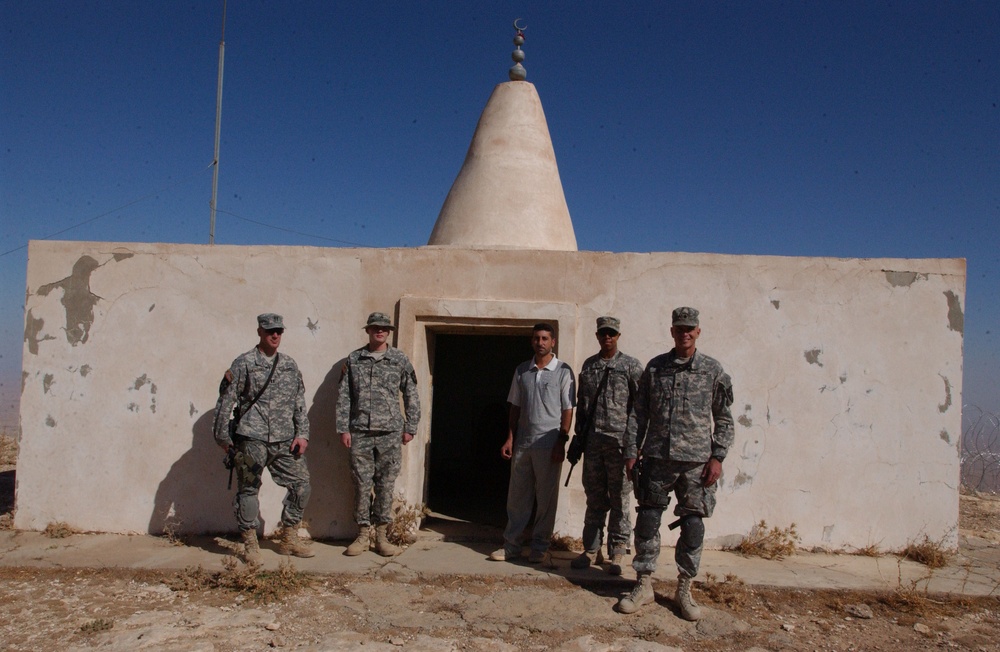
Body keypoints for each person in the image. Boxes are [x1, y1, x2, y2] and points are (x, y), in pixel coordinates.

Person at [617, 307, 734, 621]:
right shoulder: (655, 368)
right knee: (647, 521)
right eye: (679, 328)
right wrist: (631, 452)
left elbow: (723, 419)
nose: (684, 333)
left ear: (698, 332)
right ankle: (643, 584)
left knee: (693, 526)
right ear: (672, 331)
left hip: (697, 464)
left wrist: (718, 457)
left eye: (690, 328)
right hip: (656, 459)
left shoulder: (713, 370)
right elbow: (639, 415)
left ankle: (685, 588)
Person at [214, 313, 314, 564]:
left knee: (301, 485)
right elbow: (227, 400)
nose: (275, 335)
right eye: (270, 331)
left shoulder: (290, 365)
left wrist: (302, 434)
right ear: (259, 332)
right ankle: (250, 544)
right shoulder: (244, 363)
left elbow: (299, 403)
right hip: (251, 438)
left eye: (279, 330)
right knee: (248, 490)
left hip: (284, 440)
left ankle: (288, 538)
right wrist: (223, 437)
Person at [490, 323, 576, 564]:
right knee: (517, 497)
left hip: (549, 444)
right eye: (537, 338)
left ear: (553, 342)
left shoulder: (563, 371)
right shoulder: (522, 371)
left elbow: (568, 409)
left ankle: (540, 547)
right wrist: (510, 437)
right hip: (523, 443)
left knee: (545, 499)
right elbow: (515, 406)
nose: (541, 342)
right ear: (532, 342)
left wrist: (562, 440)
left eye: (545, 338)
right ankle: (511, 546)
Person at [337, 312, 421, 557]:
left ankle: (382, 537)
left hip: (390, 433)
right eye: (375, 327)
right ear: (368, 331)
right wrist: (343, 428)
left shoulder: (399, 359)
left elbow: (411, 394)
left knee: (385, 485)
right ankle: (363, 535)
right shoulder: (354, 359)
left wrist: (410, 427)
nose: (380, 331)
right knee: (362, 485)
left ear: (389, 332)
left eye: (384, 328)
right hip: (360, 432)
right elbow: (344, 396)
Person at [569, 316, 644, 575]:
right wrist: (577, 439)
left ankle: (618, 551)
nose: (607, 337)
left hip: (620, 446)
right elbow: (582, 407)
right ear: (598, 335)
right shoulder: (589, 367)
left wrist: (636, 444)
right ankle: (591, 549)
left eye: (611, 333)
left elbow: (641, 408)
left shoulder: (631, 366)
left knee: (621, 499)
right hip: (593, 444)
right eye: (603, 333)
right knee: (595, 497)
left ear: (618, 335)